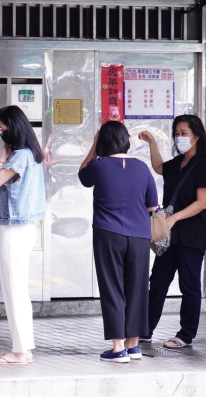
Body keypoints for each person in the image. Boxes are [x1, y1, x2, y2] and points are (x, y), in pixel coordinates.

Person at [79, 121, 158, 363]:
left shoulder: (99, 165)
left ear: (103, 141)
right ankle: (133, 346)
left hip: (108, 233)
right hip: (140, 235)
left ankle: (117, 348)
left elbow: (83, 175)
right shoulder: (142, 168)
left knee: (112, 287)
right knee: (136, 288)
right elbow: (152, 206)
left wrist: (94, 144)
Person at [138, 115, 206, 349]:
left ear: (196, 136)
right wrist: (152, 143)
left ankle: (185, 335)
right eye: (177, 133)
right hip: (169, 236)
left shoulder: (204, 167)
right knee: (158, 280)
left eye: (184, 133)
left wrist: (174, 218)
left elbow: (202, 203)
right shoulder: (176, 163)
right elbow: (159, 167)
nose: (179, 137)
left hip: (192, 235)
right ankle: (145, 330)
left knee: (189, 285)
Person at [0, 105, 45, 365]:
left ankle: (19, 351)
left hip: (15, 227)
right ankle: (23, 348)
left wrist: (3, 160)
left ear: (14, 128)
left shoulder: (20, 155)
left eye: (2, 129)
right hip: (23, 226)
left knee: (13, 289)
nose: (0, 134)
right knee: (15, 288)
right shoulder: (31, 154)